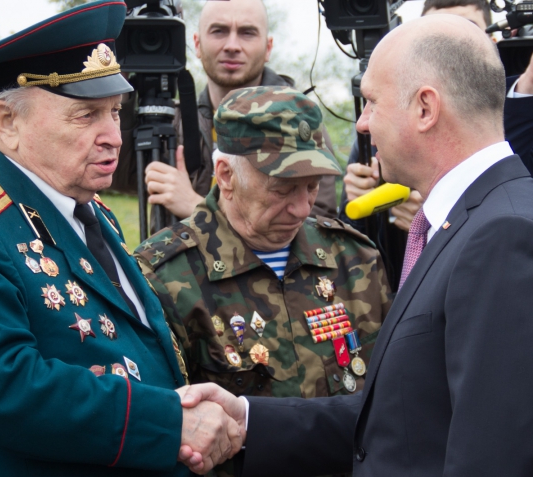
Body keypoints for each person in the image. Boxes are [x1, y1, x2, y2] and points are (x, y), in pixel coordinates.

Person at [179, 13, 533, 476]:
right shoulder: (469, 220)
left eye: (370, 102)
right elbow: (399, 418)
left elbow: (492, 455)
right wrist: (246, 418)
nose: (362, 124)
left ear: (425, 108)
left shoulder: (500, 234)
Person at [0, 2, 241, 475]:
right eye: (85, 117)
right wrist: (170, 422)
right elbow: (0, 390)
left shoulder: (92, 211)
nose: (114, 137)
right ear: (7, 122)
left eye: (114, 112)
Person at [136, 86, 391, 476]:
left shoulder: (354, 257)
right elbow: (161, 430)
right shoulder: (163, 275)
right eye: (283, 188)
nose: (302, 207)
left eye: (312, 186)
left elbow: (392, 399)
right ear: (226, 176)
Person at [340, 0, 533, 291]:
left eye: (463, 33)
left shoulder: (503, 229)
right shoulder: (381, 144)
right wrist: (372, 212)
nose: (363, 124)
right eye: (431, 39)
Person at [113, 0, 338, 222]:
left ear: (268, 48)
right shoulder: (173, 122)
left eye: (247, 32)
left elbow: (319, 224)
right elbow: (119, 177)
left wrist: (196, 208)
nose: (232, 45)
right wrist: (118, 83)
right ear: (197, 44)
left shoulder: (299, 124)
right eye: (218, 31)